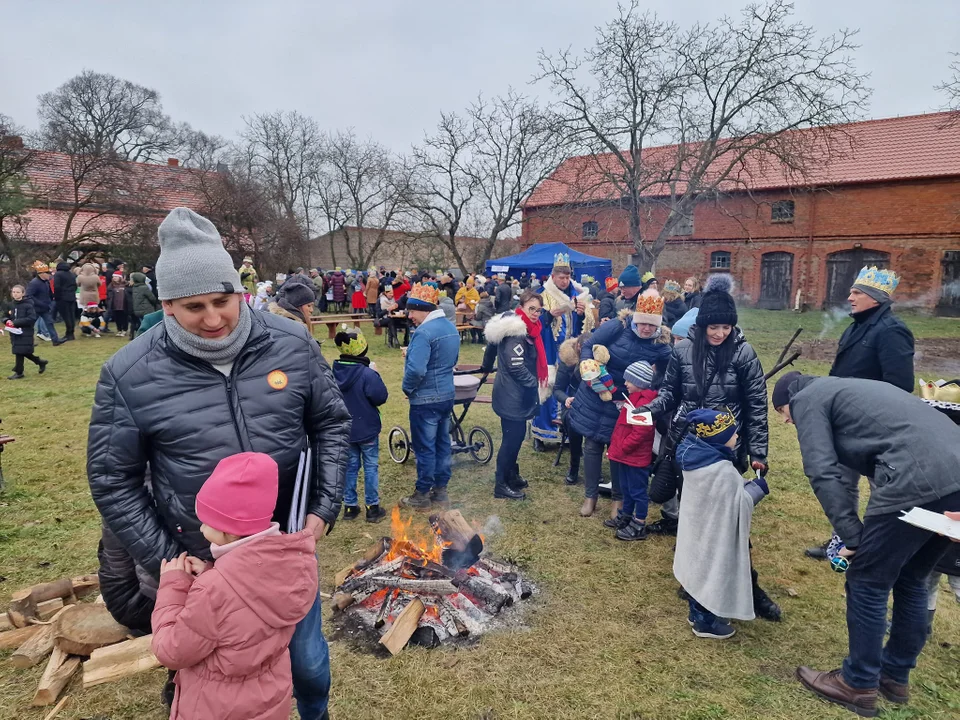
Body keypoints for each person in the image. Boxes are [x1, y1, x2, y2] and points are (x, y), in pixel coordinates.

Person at [88, 207, 350, 719]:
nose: (213, 319)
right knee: (219, 682)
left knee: (308, 667)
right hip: (200, 558)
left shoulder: (291, 343)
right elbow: (113, 480)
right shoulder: (129, 373)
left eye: (223, 301)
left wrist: (322, 506)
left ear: (240, 291)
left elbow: (331, 425)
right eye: (194, 307)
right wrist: (171, 560)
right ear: (166, 305)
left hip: (286, 549)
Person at [772, 372, 960, 717]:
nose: (787, 420)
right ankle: (895, 676)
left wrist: (853, 536)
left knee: (867, 581)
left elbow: (821, 470)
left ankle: (857, 682)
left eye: (784, 413)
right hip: (955, 475)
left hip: (916, 478)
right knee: (912, 577)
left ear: (789, 398)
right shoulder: (859, 388)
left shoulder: (807, 398)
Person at [641, 275, 781, 623]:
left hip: (726, 448)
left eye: (725, 327)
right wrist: (649, 409)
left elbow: (756, 405)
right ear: (702, 326)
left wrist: (758, 451)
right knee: (693, 519)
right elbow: (670, 392)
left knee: (731, 521)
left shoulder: (743, 353)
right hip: (689, 446)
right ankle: (695, 581)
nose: (719, 333)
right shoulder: (683, 350)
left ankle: (750, 586)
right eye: (714, 327)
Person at [152, 452, 317, 720]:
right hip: (270, 699)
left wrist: (172, 586)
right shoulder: (293, 562)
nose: (202, 528)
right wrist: (211, 571)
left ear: (229, 530)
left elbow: (171, 651)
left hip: (217, 708)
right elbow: (249, 596)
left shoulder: (213, 592)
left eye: (207, 522)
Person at [805, 266, 916, 561]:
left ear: (874, 298)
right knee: (843, 485)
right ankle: (843, 541)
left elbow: (900, 385)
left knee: (882, 490)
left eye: (856, 292)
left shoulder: (892, 331)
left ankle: (880, 549)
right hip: (847, 424)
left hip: (877, 428)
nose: (850, 297)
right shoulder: (856, 326)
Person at [568, 290, 672, 519]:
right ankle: (590, 495)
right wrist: (587, 364)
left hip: (627, 401)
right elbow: (590, 343)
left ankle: (618, 499)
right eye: (642, 323)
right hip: (598, 392)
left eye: (651, 325)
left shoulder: (661, 345)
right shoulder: (618, 326)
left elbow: (667, 375)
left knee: (618, 450)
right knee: (593, 445)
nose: (646, 329)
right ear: (635, 317)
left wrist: (648, 392)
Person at [674, 409, 770, 639]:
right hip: (714, 533)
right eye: (733, 434)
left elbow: (722, 495)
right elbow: (736, 505)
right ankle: (705, 622)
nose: (737, 437)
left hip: (698, 528)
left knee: (697, 569)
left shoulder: (697, 460)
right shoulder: (721, 469)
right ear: (718, 437)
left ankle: (696, 613)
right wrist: (757, 489)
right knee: (710, 572)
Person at [481, 290, 548, 501]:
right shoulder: (516, 331)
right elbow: (516, 366)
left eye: (539, 309)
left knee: (516, 437)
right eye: (532, 309)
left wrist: (486, 365)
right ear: (522, 307)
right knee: (512, 439)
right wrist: (534, 386)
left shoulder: (524, 327)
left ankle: (510, 474)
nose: (536, 313)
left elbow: (491, 347)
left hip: (514, 394)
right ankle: (501, 484)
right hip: (512, 395)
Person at [399, 283, 460, 509]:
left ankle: (422, 494)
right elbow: (451, 362)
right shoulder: (450, 328)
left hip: (425, 400)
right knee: (443, 443)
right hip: (446, 395)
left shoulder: (423, 332)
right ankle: (441, 490)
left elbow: (416, 370)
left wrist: (408, 389)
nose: (410, 316)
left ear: (423, 309)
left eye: (412, 311)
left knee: (425, 446)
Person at [531, 253, 594, 448]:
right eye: (561, 277)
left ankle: (566, 432)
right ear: (553, 276)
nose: (565, 281)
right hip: (549, 351)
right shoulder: (541, 295)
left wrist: (583, 315)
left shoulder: (577, 295)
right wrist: (550, 315)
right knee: (546, 391)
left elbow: (584, 328)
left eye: (567, 277)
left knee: (568, 392)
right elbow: (534, 322)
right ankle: (540, 434)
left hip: (570, 355)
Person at [332, 326, 388, 523]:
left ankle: (349, 507)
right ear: (362, 349)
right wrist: (376, 374)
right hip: (367, 430)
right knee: (371, 466)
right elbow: (380, 397)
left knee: (350, 467)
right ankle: (372, 507)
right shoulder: (367, 374)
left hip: (345, 430)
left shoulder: (333, 373)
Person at [607, 361, 659, 540]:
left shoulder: (644, 403)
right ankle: (626, 515)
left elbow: (641, 432)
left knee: (638, 491)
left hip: (635, 457)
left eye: (629, 381)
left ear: (640, 383)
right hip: (626, 456)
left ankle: (639, 523)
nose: (626, 384)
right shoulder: (633, 399)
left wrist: (623, 446)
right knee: (627, 488)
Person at [554, 333, 590, 485]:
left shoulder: (600, 358)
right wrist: (566, 399)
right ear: (579, 347)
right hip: (573, 403)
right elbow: (557, 389)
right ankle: (574, 466)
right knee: (572, 421)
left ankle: (593, 469)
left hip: (593, 403)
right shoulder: (567, 360)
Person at [4, 285, 47, 379]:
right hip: (14, 331)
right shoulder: (10, 305)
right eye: (14, 292)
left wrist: (15, 322)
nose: (15, 294)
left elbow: (31, 318)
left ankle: (19, 372)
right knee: (21, 351)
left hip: (25, 331)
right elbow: (5, 315)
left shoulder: (28, 305)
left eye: (18, 292)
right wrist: (6, 320)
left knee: (20, 351)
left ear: (23, 293)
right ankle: (40, 362)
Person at [26, 261, 62, 345]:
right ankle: (29, 341)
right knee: (30, 325)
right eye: (47, 273)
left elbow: (49, 292)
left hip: (45, 308)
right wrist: (39, 303)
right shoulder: (34, 283)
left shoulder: (46, 282)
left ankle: (55, 340)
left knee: (50, 323)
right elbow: (29, 295)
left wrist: (52, 299)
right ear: (41, 274)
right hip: (36, 308)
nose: (49, 275)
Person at [53, 261, 78, 341]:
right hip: (71, 297)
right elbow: (75, 286)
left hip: (62, 298)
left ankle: (68, 334)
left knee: (66, 316)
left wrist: (56, 297)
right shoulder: (71, 274)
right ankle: (71, 333)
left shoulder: (58, 274)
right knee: (71, 315)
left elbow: (57, 287)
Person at [130, 272, 160, 337]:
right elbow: (152, 298)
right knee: (150, 325)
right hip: (146, 310)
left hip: (138, 310)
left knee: (142, 324)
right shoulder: (144, 288)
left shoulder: (134, 288)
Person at [107, 272, 130, 337]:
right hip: (115, 305)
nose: (114, 278)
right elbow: (109, 295)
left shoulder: (126, 284)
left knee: (124, 318)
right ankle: (119, 329)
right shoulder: (111, 285)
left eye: (116, 276)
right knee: (117, 318)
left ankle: (124, 330)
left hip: (124, 304)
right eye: (113, 277)